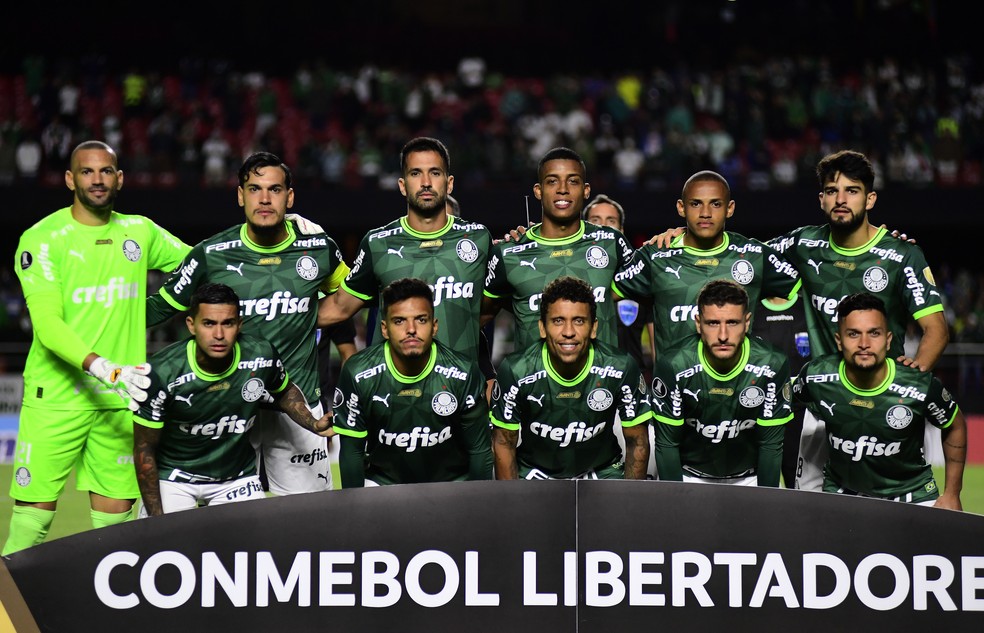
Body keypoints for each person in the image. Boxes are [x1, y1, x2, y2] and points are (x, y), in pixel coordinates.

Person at [649, 152, 948, 491]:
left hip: (882, 404)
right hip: (820, 405)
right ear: (821, 199)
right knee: (811, 514)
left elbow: (936, 330)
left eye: (852, 191)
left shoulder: (901, 255)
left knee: (892, 508)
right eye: (832, 191)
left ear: (870, 198)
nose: (841, 199)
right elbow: (739, 255)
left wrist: (904, 392)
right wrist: (686, 236)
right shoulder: (804, 244)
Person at [4, 140, 190, 554]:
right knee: (32, 522)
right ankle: (7, 614)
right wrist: (103, 366)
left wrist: (161, 308)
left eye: (106, 171)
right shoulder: (42, 239)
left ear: (119, 178)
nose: (97, 179)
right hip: (56, 398)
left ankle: (105, 614)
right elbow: (48, 325)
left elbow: (198, 264)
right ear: (70, 179)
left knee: (115, 530)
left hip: (120, 399)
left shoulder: (138, 231)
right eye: (87, 172)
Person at [146, 151, 350, 496]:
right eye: (255, 189)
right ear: (240, 196)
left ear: (290, 196)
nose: (265, 199)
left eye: (275, 189)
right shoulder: (211, 254)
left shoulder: (318, 249)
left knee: (310, 521)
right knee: (227, 524)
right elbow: (157, 309)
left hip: (299, 403)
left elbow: (350, 298)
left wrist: (312, 322)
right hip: (231, 404)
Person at [133, 283, 334, 516]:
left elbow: (284, 390)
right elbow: (144, 448)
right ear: (191, 325)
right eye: (209, 323)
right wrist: (157, 521)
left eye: (227, 323)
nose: (219, 335)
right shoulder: (161, 372)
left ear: (239, 325)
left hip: (236, 480)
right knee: (167, 548)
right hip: (175, 478)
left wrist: (313, 423)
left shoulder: (261, 356)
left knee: (252, 548)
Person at [317, 138, 493, 367]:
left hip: (461, 392)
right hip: (393, 395)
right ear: (402, 185)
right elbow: (339, 308)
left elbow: (499, 303)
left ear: (449, 184)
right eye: (416, 173)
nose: (426, 182)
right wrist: (276, 311)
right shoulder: (377, 243)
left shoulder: (478, 239)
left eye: (435, 173)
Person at [791, 293, 966, 508]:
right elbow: (783, 408)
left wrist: (952, 494)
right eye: (853, 334)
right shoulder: (815, 377)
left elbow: (955, 424)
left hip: (912, 496)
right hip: (842, 494)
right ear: (839, 340)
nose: (864, 343)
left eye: (874, 333)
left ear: (888, 339)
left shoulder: (919, 385)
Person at [614, 170, 801, 360]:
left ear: (730, 208)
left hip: (738, 385)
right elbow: (601, 294)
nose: (705, 213)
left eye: (716, 204)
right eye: (696, 204)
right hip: (674, 386)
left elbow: (812, 288)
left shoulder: (755, 255)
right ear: (681, 207)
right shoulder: (655, 256)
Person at [331, 278, 493, 486]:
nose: (411, 329)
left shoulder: (464, 372)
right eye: (399, 321)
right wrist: (354, 511)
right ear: (384, 329)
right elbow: (352, 452)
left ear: (434, 326)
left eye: (421, 320)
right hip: (383, 485)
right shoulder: (357, 373)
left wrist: (479, 508)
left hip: (451, 485)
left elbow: (479, 451)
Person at [491, 276, 650, 480]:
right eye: (558, 321)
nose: (568, 332)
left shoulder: (621, 366)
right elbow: (504, 443)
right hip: (534, 474)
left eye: (579, 321)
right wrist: (513, 504)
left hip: (602, 471)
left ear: (593, 328)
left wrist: (628, 503)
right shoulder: (515, 370)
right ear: (542, 327)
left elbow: (638, 441)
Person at [483, 147, 640, 354]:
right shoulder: (509, 252)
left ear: (586, 190)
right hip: (534, 384)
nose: (563, 189)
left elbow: (653, 296)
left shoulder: (611, 243)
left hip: (602, 383)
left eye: (573, 181)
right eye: (552, 181)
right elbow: (476, 318)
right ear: (538, 191)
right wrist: (486, 372)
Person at [650, 280, 793, 487]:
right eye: (713, 323)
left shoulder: (772, 364)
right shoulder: (673, 365)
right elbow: (667, 444)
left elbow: (770, 445)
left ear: (747, 322)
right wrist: (676, 502)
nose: (723, 336)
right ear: (698, 323)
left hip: (749, 478)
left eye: (732, 323)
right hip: (690, 476)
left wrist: (765, 505)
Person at [582, 193, 655, 379]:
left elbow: (657, 348)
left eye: (611, 220)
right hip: (586, 380)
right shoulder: (569, 278)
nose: (604, 226)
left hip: (632, 382)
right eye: (595, 220)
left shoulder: (639, 280)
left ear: (620, 230)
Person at [750, 294, 812, 488]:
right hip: (760, 409)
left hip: (801, 409)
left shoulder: (808, 309)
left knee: (796, 476)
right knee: (763, 480)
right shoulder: (753, 312)